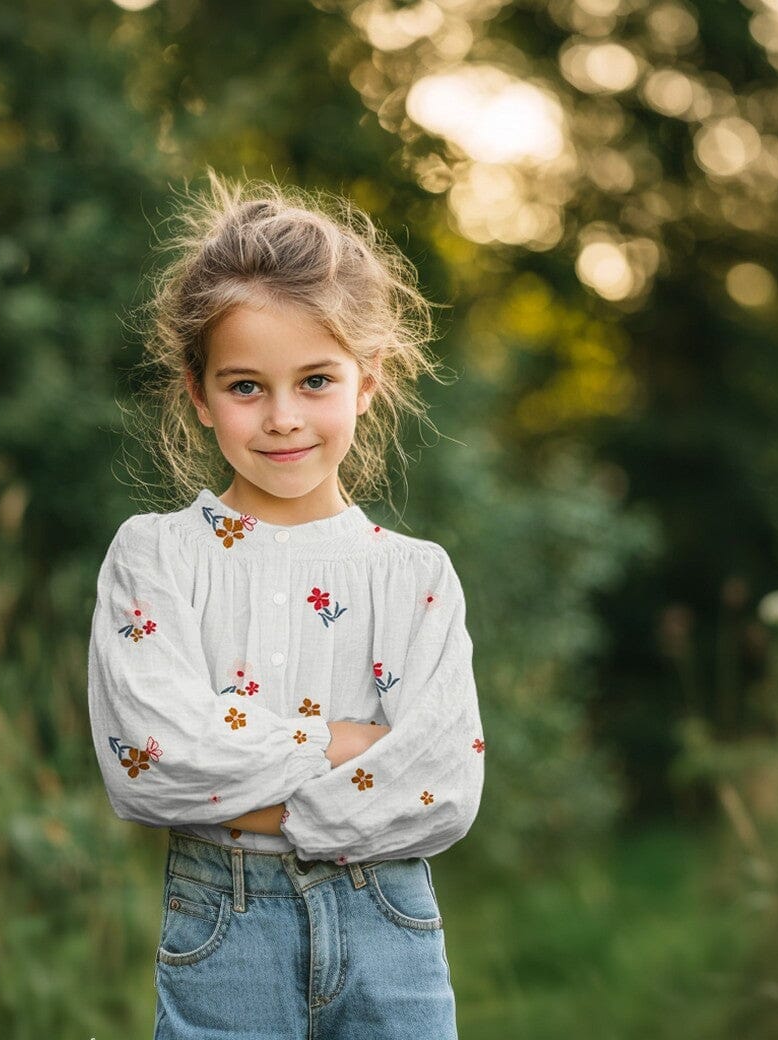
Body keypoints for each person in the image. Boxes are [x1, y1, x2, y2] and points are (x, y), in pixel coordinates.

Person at [87, 170, 485, 1040]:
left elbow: (442, 786)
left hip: (390, 923)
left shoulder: (414, 576)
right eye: (245, 386)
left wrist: (234, 767)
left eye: (314, 381)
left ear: (366, 382)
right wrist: (346, 746)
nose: (281, 418)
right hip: (222, 924)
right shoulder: (158, 557)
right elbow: (149, 762)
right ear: (198, 393)